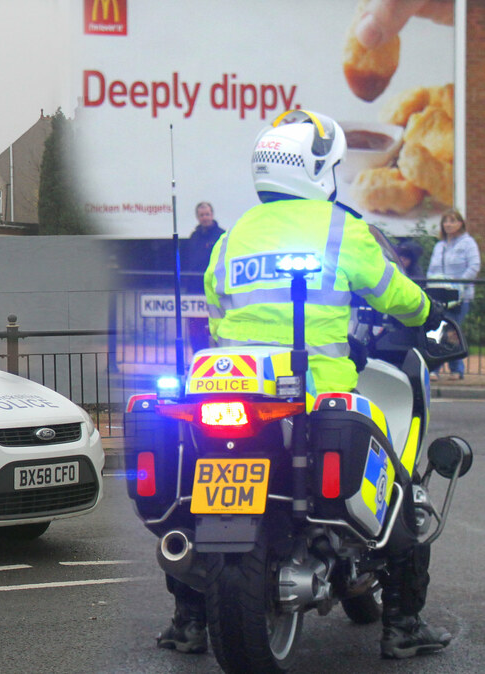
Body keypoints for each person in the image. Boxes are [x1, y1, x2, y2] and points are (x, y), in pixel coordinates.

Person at [155, 109, 448, 659]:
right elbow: (394, 294)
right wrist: (429, 309)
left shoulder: (234, 235)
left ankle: (190, 620)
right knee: (401, 484)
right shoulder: (342, 228)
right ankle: (404, 627)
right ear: (320, 170)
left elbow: (218, 318)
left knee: (193, 500)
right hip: (317, 390)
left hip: (233, 388)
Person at [427, 210, 480, 380]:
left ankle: (450, 369)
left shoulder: (468, 243)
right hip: (439, 296)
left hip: (460, 296)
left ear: (460, 223)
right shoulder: (439, 246)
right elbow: (432, 270)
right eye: (446, 221)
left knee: (451, 331)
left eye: (452, 221)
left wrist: (458, 285)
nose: (448, 224)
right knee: (438, 330)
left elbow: (473, 266)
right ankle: (446, 369)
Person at [182, 202, 225, 353]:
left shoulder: (221, 235)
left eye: (207, 214)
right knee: (195, 329)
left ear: (212, 215)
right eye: (202, 215)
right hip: (194, 290)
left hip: (214, 290)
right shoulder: (194, 237)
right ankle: (198, 357)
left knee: (217, 328)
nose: (205, 218)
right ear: (197, 217)